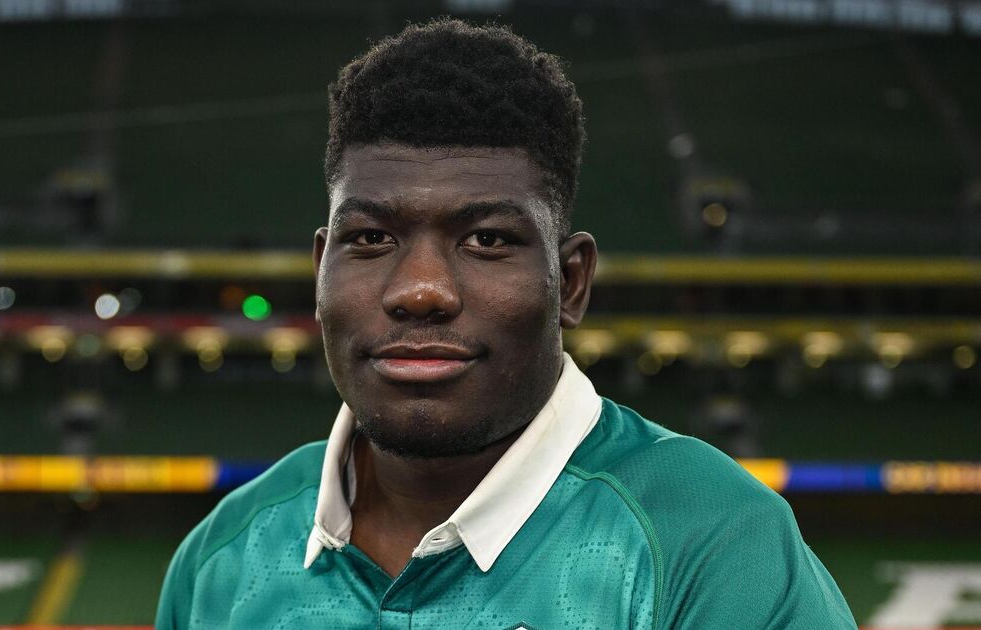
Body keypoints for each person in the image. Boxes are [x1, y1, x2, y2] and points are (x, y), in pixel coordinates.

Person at [156, 18, 856, 629]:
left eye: (486, 239)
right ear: (320, 273)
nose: (420, 291)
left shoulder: (715, 542)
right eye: (370, 238)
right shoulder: (222, 558)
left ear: (570, 282)